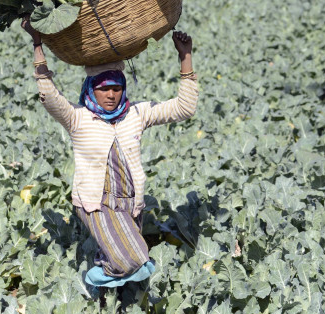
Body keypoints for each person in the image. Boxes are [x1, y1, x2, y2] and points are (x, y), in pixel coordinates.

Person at [21, 17, 198, 297]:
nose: (111, 95)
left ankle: (110, 303)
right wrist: (37, 44)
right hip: (96, 202)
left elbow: (184, 109)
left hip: (131, 201)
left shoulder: (136, 114)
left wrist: (185, 58)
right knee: (135, 258)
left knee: (130, 266)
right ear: (92, 89)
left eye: (116, 88)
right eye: (104, 88)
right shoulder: (78, 118)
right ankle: (97, 275)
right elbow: (49, 95)